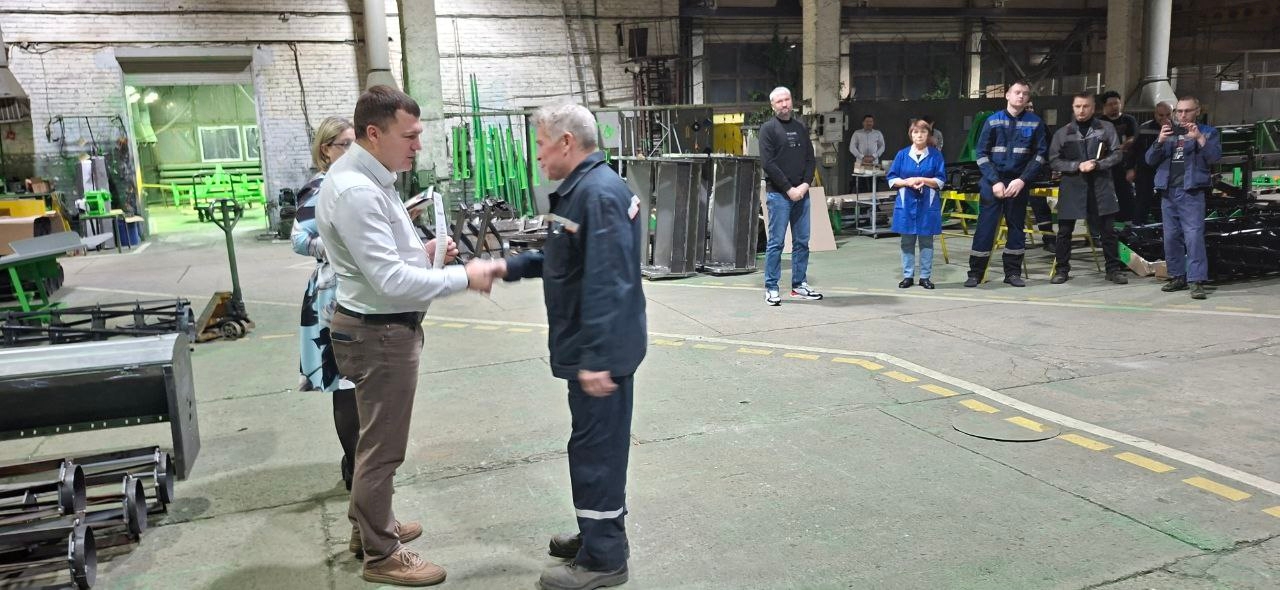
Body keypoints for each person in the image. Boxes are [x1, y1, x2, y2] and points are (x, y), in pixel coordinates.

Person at [316, 85, 500, 586]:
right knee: (383, 449)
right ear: (374, 133)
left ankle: (369, 527)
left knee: (374, 442)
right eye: (410, 136)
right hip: (379, 334)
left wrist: (427, 250)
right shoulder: (356, 190)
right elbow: (391, 281)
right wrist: (466, 276)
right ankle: (382, 554)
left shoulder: (368, 176)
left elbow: (384, 257)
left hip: (376, 327)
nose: (418, 145)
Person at [497, 102, 646, 590]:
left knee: (596, 454)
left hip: (598, 353)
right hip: (592, 347)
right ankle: (598, 534)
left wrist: (597, 358)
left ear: (566, 142)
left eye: (541, 144)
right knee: (594, 448)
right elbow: (565, 258)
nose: (538, 155)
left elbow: (608, 281)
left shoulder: (596, 194)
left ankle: (604, 560)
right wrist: (506, 267)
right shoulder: (583, 191)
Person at [291, 116, 359, 491]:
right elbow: (300, 240)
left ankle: (358, 465)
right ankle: (355, 470)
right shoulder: (319, 187)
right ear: (325, 150)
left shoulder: (353, 182)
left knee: (359, 387)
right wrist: (339, 247)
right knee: (344, 386)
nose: (351, 150)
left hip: (356, 290)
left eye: (355, 143)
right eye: (344, 144)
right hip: (332, 297)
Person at [966, 80, 1049, 288]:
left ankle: (1012, 273)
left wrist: (1022, 180)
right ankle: (975, 273)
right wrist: (994, 181)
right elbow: (981, 154)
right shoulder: (993, 121)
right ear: (1007, 95)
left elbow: (1040, 156)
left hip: (1018, 183)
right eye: (1017, 92)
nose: (1021, 96)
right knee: (985, 228)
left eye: (1025, 94)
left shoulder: (1035, 123)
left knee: (1016, 228)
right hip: (993, 182)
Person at [1047, 92, 1129, 285]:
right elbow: (1054, 160)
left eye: (1086, 106)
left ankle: (1113, 270)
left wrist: (1098, 164)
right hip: (1072, 186)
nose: (1081, 110)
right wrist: (1077, 166)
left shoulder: (1106, 129)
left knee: (1108, 231)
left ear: (1093, 108)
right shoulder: (1063, 133)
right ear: (1073, 107)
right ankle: (1062, 270)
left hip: (1101, 185)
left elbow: (1117, 154)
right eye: (1078, 106)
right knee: (1064, 232)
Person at [1145, 95, 1221, 300]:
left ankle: (1196, 280)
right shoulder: (1169, 132)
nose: (1183, 115)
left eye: (1187, 111)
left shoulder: (1208, 132)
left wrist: (1199, 138)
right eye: (1179, 111)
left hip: (1191, 192)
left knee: (1193, 237)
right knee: (1171, 237)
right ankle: (1178, 276)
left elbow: (1214, 157)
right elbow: (1149, 160)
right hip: (1168, 192)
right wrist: (1160, 141)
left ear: (1198, 111)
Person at [759, 86, 823, 306]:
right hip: (779, 196)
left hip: (802, 194)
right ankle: (771, 287)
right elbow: (768, 164)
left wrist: (804, 185)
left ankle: (799, 284)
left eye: (787, 100)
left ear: (792, 101)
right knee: (776, 243)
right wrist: (789, 189)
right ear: (773, 105)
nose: (784, 104)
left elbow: (810, 159)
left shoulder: (800, 127)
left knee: (802, 242)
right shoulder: (768, 129)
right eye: (779, 101)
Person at [887, 119, 946, 289]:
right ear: (911, 135)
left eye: (923, 132)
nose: (919, 135)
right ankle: (908, 276)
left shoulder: (936, 155)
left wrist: (922, 180)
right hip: (907, 203)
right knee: (907, 242)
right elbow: (892, 178)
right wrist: (908, 182)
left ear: (928, 135)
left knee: (927, 242)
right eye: (916, 132)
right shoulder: (902, 155)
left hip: (927, 204)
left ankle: (925, 276)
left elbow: (941, 179)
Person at [1099, 90, 1139, 224]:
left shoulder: (1129, 120)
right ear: (1105, 106)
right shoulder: (1100, 122)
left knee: (1126, 194)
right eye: (1110, 104)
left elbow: (1133, 138)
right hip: (1106, 166)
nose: (1114, 107)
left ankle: (1128, 224)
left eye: (1116, 103)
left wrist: (1120, 148)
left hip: (1124, 165)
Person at [1133, 101, 1173, 225]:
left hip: (1167, 172)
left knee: (1164, 205)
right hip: (1145, 171)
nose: (1164, 118)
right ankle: (1139, 228)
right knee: (1142, 201)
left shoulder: (1178, 129)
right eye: (1161, 115)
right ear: (1155, 114)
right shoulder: (1144, 128)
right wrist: (1130, 168)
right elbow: (1134, 150)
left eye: (1168, 115)